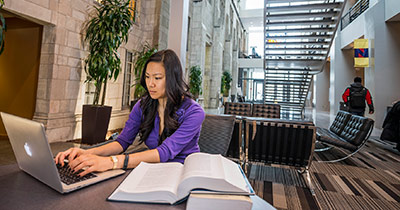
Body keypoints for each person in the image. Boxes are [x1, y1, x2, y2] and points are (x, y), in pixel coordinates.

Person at [55, 49, 205, 176]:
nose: (150, 83)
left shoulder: (194, 112)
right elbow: (122, 142)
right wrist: (87, 153)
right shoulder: (143, 105)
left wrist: (112, 162)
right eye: (147, 77)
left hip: (183, 174)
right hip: (153, 170)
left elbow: (164, 152)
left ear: (173, 79)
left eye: (157, 78)